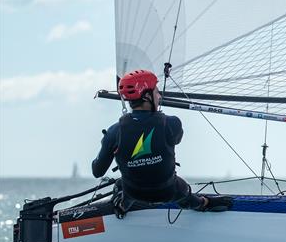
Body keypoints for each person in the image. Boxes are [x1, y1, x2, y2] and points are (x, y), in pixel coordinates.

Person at [92, 69, 231, 217]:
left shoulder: (114, 131)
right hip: (168, 192)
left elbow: (97, 171)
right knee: (182, 192)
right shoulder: (172, 123)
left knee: (122, 185)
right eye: (156, 92)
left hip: (134, 193)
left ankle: (122, 206)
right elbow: (177, 139)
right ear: (147, 96)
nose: (159, 96)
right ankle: (204, 204)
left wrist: (107, 144)